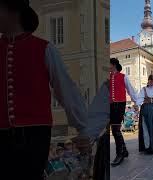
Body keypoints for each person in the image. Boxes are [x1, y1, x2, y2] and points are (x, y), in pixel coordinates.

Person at [0, 1, 91, 179]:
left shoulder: (45, 49)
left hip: (34, 136)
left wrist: (82, 128)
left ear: (13, 10)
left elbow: (66, 89)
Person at [109, 58, 138, 166]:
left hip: (120, 104)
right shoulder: (107, 77)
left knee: (116, 129)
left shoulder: (123, 76)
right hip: (110, 105)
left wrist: (136, 101)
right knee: (114, 128)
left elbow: (130, 89)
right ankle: (124, 150)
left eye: (109, 64)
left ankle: (119, 153)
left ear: (114, 65)